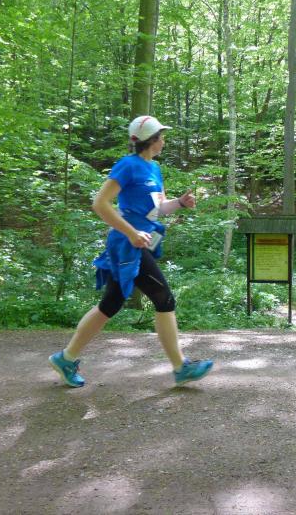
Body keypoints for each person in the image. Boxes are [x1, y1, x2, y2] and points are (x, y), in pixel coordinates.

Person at [49, 115, 213, 388]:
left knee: (110, 304)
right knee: (164, 299)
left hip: (143, 242)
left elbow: (158, 208)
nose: (164, 141)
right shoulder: (127, 165)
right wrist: (131, 232)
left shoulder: (154, 169)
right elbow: (100, 203)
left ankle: (66, 358)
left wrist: (180, 203)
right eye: (161, 136)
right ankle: (180, 367)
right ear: (152, 139)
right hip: (127, 245)